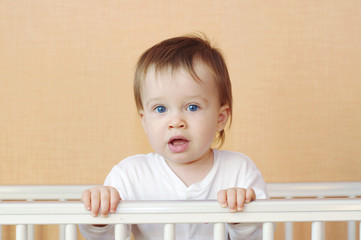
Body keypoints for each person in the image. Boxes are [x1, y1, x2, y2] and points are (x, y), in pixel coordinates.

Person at [79, 34, 268, 240]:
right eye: (160, 109)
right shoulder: (129, 175)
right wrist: (99, 215)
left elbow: (261, 235)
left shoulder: (239, 171)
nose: (176, 121)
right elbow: (107, 237)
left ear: (220, 118)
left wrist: (243, 218)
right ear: (144, 121)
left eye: (192, 107)